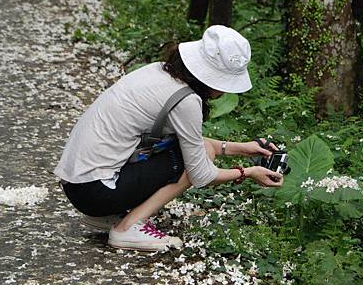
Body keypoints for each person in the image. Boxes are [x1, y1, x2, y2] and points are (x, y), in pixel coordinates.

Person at [54, 25, 284, 251]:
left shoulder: (160, 71)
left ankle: (110, 216)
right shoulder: (187, 100)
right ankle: (127, 228)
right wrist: (248, 172)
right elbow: (200, 174)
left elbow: (191, 141)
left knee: (195, 151)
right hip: (95, 192)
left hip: (77, 183)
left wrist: (245, 149)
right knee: (195, 159)